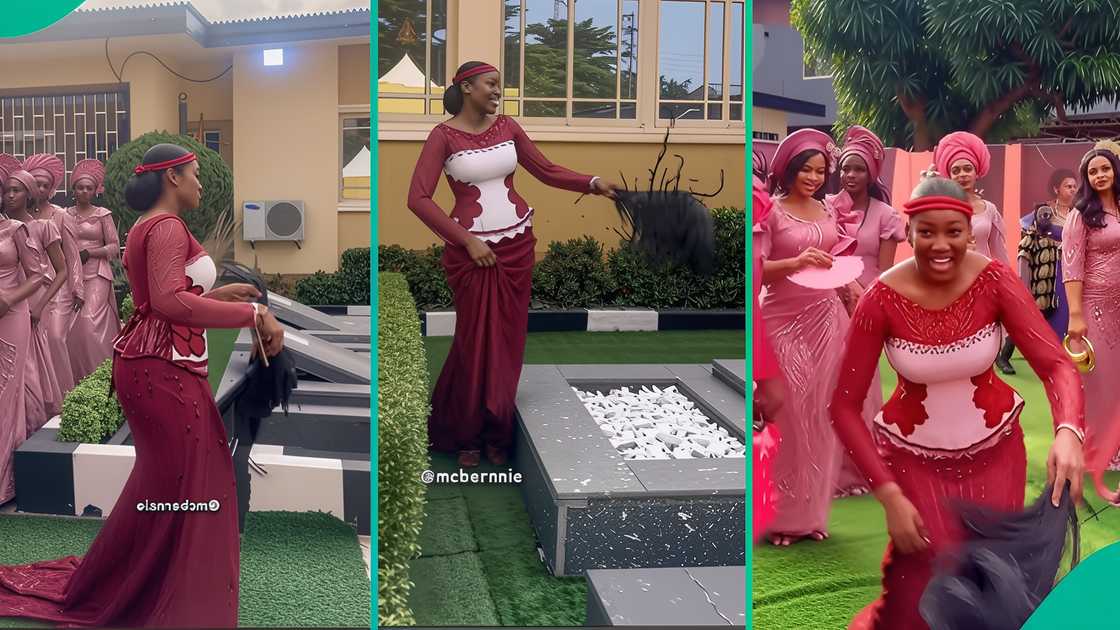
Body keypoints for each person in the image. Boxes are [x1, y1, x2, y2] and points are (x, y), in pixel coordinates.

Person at [0, 143, 286, 627]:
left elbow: (158, 300)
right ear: (172, 177)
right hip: (163, 371)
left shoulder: (145, 228)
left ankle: (140, 579)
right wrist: (252, 312)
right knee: (192, 481)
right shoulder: (168, 226)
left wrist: (215, 296)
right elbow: (172, 305)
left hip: (151, 363)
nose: (200, 182)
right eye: (194, 173)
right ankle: (175, 595)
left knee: (166, 482)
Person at [830, 175, 1085, 630]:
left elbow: (1056, 365)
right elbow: (844, 406)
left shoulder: (996, 282)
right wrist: (888, 495)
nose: (940, 244)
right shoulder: (881, 299)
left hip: (996, 456)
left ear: (971, 232)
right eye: (926, 232)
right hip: (912, 464)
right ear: (908, 234)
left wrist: (1068, 431)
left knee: (993, 585)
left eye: (953, 231)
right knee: (916, 595)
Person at [407, 61, 618, 468]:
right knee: (473, 342)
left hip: (517, 244)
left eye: (497, 85)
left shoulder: (509, 128)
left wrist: (592, 183)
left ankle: (497, 432)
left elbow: (546, 170)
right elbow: (417, 199)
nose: (497, 91)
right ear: (467, 87)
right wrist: (467, 241)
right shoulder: (442, 137)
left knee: (508, 341)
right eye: (491, 84)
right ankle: (466, 433)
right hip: (472, 253)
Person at [757, 128, 864, 546]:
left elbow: (834, 262)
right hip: (782, 320)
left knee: (823, 418)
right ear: (789, 169)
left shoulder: (827, 210)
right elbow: (758, 270)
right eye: (807, 169)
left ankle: (811, 516)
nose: (815, 177)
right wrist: (796, 261)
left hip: (826, 320)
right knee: (789, 420)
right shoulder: (771, 212)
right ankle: (779, 517)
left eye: (821, 170)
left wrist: (849, 288)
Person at [827, 125, 905, 497]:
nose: (850, 176)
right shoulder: (827, 209)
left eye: (857, 169)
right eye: (844, 169)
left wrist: (868, 304)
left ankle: (862, 470)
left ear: (871, 173)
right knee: (830, 384)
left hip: (867, 308)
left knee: (864, 388)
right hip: (828, 305)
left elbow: (886, 273)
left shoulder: (886, 215)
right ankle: (832, 471)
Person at [1063, 148, 1120, 471]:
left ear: (1115, 171)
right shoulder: (1081, 214)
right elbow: (1071, 267)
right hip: (1095, 308)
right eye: (1093, 172)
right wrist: (1076, 314)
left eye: (1105, 169)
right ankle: (1099, 451)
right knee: (1100, 380)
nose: (1100, 175)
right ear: (1086, 178)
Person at [3, 168, 68, 432]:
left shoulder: (44, 226)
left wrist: (41, 305)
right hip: (14, 297)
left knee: (33, 365)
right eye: (6, 190)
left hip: (35, 300)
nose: (9, 196)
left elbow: (61, 270)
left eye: (16, 191)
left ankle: (32, 422)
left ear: (28, 194)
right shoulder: (5, 228)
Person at [999, 169, 1077, 373]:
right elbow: (1027, 242)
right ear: (1056, 189)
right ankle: (1004, 356)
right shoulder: (1043, 213)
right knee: (1029, 315)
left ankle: (1060, 358)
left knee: (1065, 313)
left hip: (1070, 272)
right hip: (1043, 273)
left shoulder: (1079, 214)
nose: (1072, 190)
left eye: (1074, 186)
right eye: (1068, 186)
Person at [0, 165, 46, 506]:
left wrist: (9, 299)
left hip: (11, 314)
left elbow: (38, 275)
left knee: (6, 394)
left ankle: (5, 482)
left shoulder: (16, 230)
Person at [22, 154, 84, 391]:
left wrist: (78, 287)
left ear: (51, 189)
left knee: (56, 338)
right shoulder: (19, 216)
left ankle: (66, 395)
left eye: (45, 184)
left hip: (59, 287)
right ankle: (43, 396)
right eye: (36, 183)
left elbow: (72, 254)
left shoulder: (60, 215)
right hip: (31, 287)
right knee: (37, 343)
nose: (40, 188)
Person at [65, 159, 122, 378]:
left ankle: (101, 373)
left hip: (97, 272)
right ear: (74, 190)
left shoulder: (102, 214)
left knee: (88, 322)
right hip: (71, 274)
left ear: (96, 190)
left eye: (89, 188)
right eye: (80, 187)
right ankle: (75, 376)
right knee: (70, 327)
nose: (84, 191)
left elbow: (115, 247)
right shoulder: (65, 215)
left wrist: (91, 253)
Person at [752, 175, 783, 540]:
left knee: (773, 401)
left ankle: (768, 501)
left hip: (758, 320)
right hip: (758, 316)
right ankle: (763, 509)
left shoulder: (763, 222)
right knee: (763, 406)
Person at [1017, 203, 1065, 340]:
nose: (1046, 218)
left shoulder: (1054, 238)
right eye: (1043, 215)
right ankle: (1005, 354)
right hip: (1034, 291)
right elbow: (1023, 265)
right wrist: (1025, 291)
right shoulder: (1029, 239)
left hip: (1051, 293)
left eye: (1049, 215)